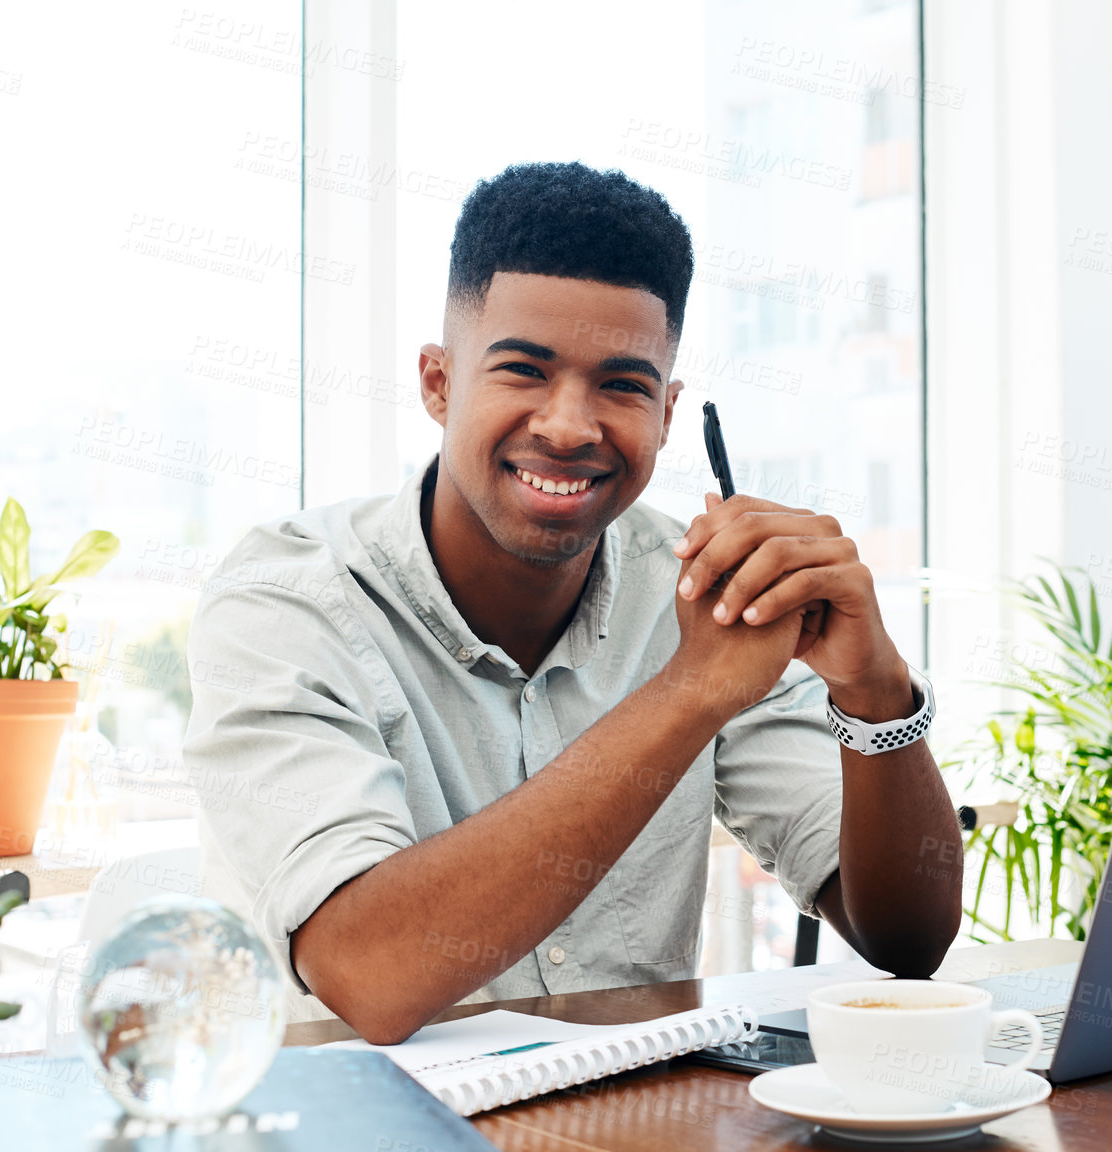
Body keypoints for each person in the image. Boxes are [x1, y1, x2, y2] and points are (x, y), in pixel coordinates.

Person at [183, 161, 963, 1044]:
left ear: (667, 416)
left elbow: (907, 940)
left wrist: (875, 694)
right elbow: (371, 973)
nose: (568, 425)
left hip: (631, 1126)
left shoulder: (704, 588)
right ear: (439, 384)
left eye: (622, 386)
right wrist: (689, 692)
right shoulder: (287, 600)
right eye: (523, 371)